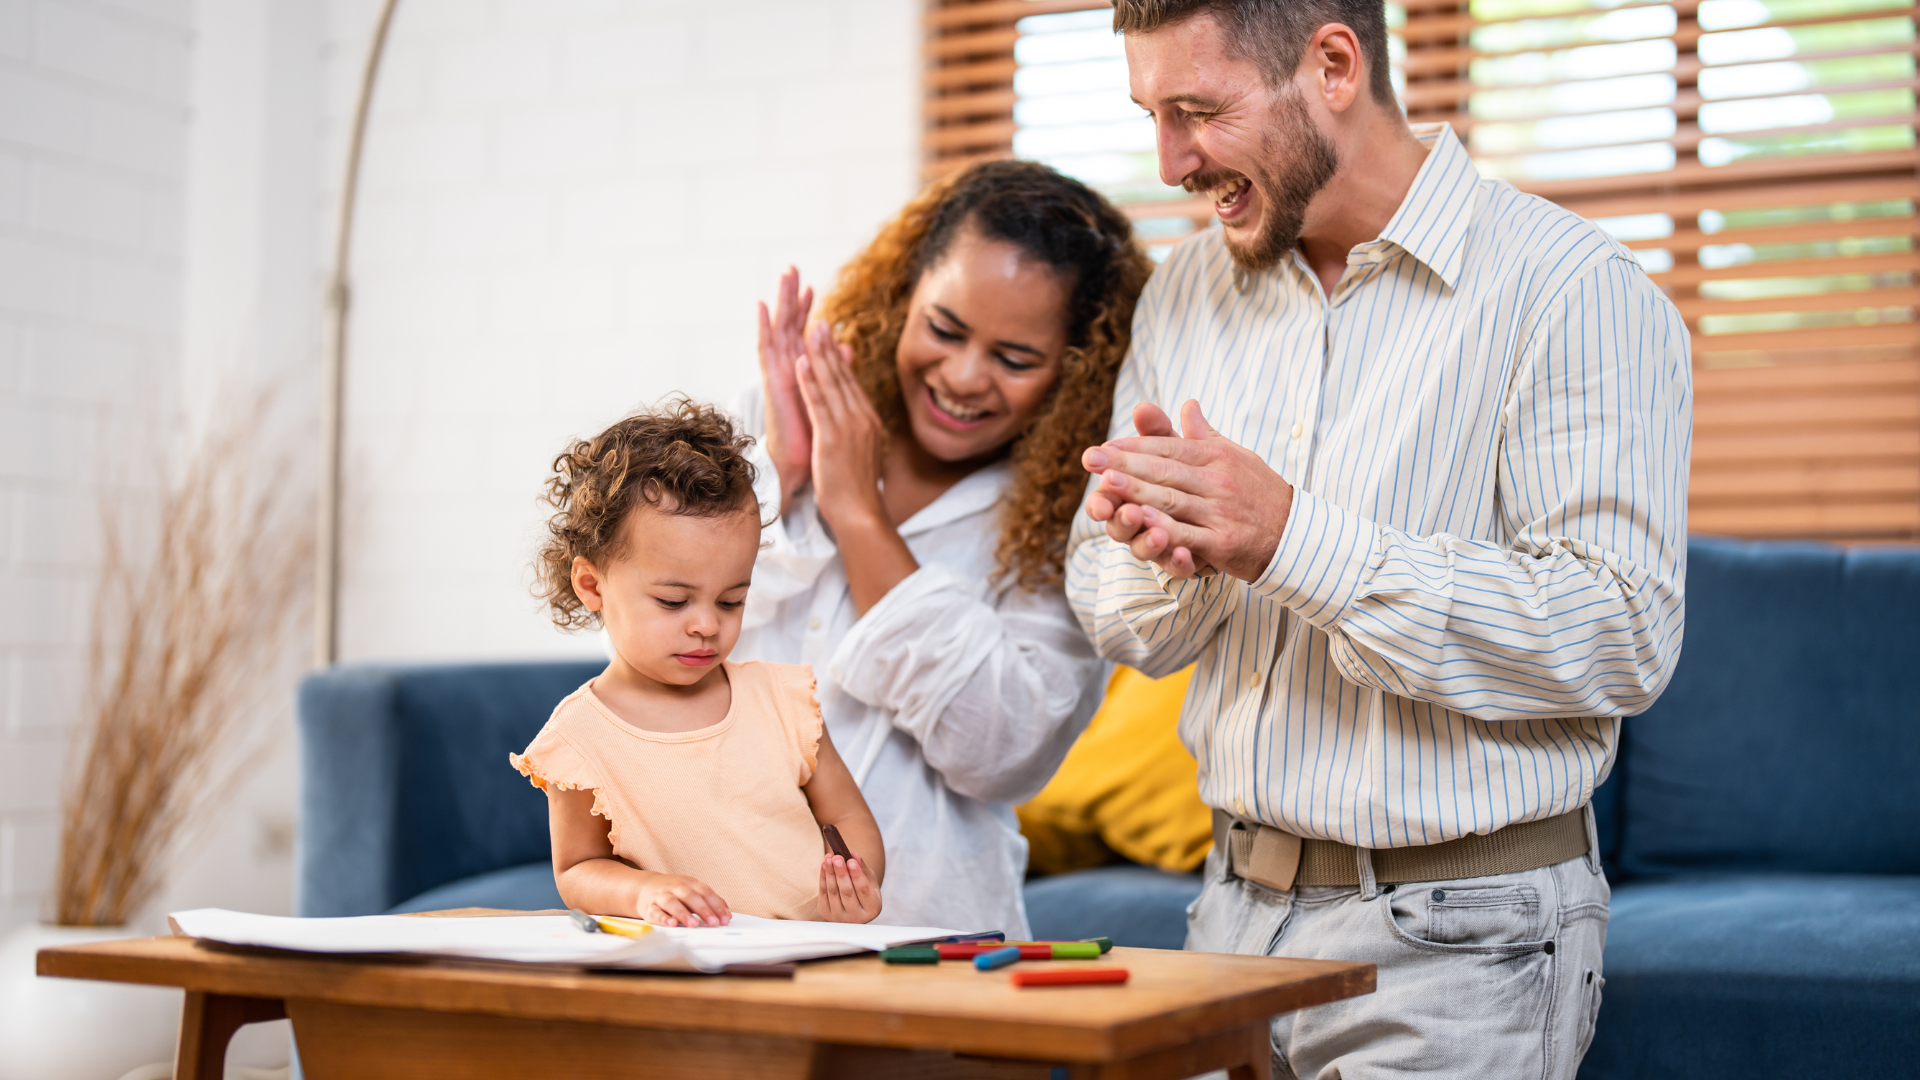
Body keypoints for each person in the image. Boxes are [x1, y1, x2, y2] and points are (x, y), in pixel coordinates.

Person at [1067, 2, 1691, 1078]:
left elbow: (1621, 629)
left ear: (1334, 65)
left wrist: (1289, 540)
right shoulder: (1185, 295)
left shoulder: (1568, 288)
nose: (1170, 161)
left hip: (1464, 936)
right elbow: (1124, 618)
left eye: (1196, 111)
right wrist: (1167, 557)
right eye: (1152, 116)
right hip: (1229, 920)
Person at [733, 160, 1154, 938]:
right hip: (726, 918)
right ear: (905, 296)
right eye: (945, 329)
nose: (963, 377)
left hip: (926, 935)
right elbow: (658, 632)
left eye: (1015, 359)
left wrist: (857, 515)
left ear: (1077, 367)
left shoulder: (1081, 513)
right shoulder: (791, 415)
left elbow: (1002, 751)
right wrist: (782, 474)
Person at [511, 401, 885, 927]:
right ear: (591, 585)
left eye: (731, 600)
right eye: (673, 602)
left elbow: (847, 816)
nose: (708, 625)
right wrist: (643, 892)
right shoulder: (579, 739)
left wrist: (858, 874)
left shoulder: (782, 700)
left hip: (815, 960)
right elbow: (578, 868)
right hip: (694, 975)